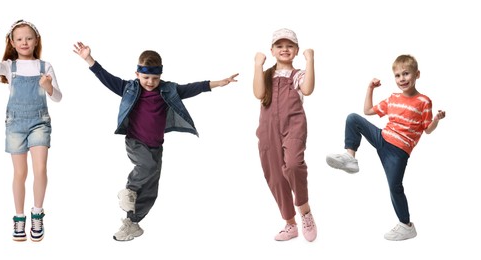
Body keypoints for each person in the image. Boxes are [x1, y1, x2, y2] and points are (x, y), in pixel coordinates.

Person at [73, 41, 238, 241]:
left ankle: (132, 223)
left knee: (151, 189)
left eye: (155, 78)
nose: (150, 82)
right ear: (137, 75)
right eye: (145, 77)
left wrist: (218, 83)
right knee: (147, 166)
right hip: (135, 142)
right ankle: (129, 190)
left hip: (156, 146)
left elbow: (193, 88)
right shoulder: (129, 88)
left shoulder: (167, 90)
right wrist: (89, 59)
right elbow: (106, 78)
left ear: (161, 76)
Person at [325, 54, 446, 241]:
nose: (402, 79)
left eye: (406, 74)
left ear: (417, 75)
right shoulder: (393, 98)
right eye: (398, 76)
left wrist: (436, 119)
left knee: (395, 187)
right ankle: (350, 157)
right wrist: (370, 88)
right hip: (382, 137)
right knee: (353, 118)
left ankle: (406, 225)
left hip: (398, 151)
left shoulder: (424, 101)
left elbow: (427, 129)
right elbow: (367, 111)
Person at [0, 19, 62, 242]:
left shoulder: (44, 66)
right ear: (12, 42)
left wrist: (48, 86)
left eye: (29, 38)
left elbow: (57, 97)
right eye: (19, 39)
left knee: (40, 169)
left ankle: (37, 212)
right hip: (15, 124)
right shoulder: (11, 66)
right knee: (20, 173)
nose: (24, 42)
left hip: (39, 122)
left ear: (36, 40)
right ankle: (19, 217)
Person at [252, 28, 317, 242]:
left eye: (289, 46)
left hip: (293, 126)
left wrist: (310, 61)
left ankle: (304, 210)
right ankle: (290, 224)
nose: (284, 49)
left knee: (293, 165)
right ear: (272, 50)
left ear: (296, 50)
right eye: (279, 46)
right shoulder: (267, 75)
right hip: (268, 129)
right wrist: (257, 65)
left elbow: (307, 90)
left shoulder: (298, 75)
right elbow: (259, 94)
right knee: (276, 176)